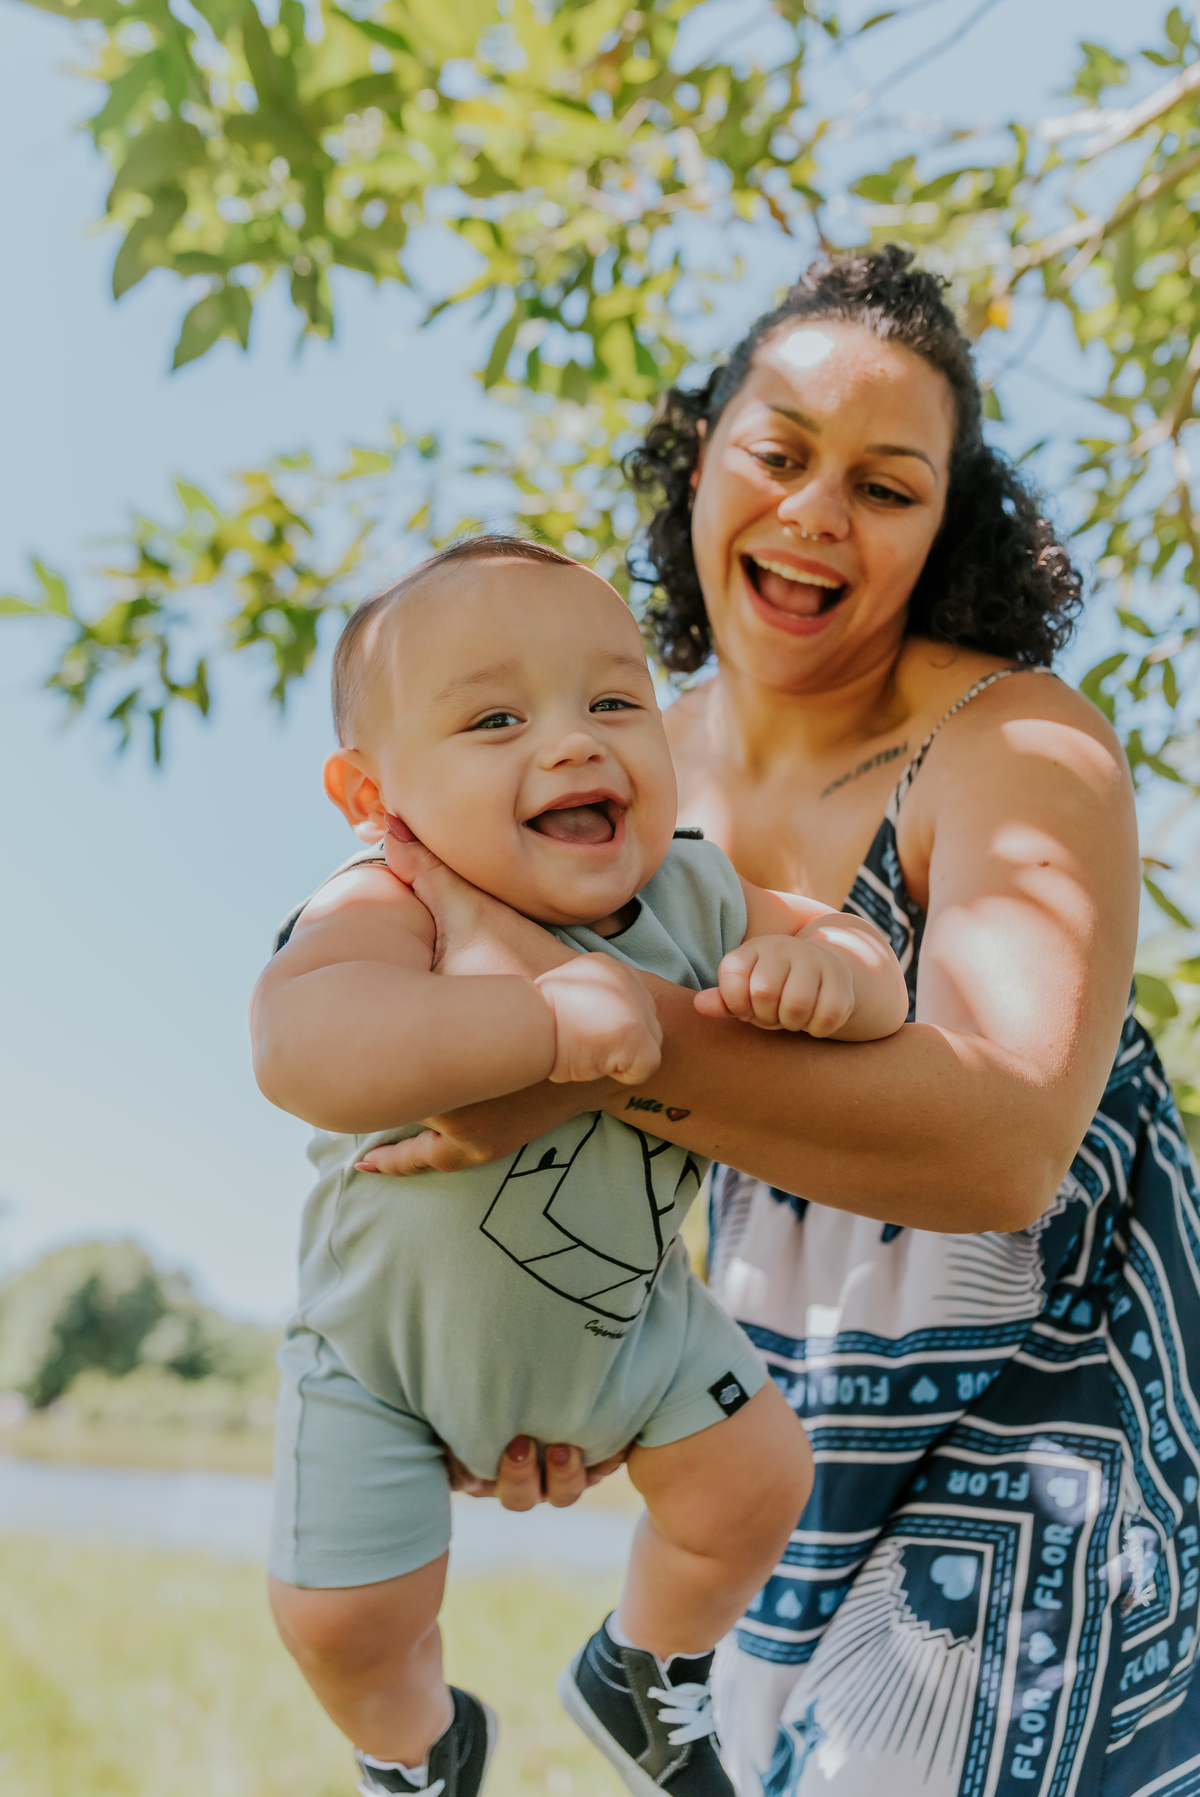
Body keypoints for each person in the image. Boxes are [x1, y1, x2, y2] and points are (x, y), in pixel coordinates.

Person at [335, 248, 1200, 1797]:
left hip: (1057, 1436)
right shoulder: (611, 764)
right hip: (784, 1433)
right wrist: (542, 1376)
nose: (816, 511)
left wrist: (601, 1041)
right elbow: (491, 1121)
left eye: (886, 484)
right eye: (781, 450)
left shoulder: (1013, 741)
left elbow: (1002, 1143)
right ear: (701, 459)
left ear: (946, 529)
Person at [250, 534, 911, 1797]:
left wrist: (834, 975)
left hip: (637, 1334)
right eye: (495, 717)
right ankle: (414, 1743)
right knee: (340, 1618)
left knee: (759, 1485)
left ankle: (645, 1668)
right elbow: (299, 1044)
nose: (573, 742)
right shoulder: (391, 894)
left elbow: (856, 945)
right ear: (371, 794)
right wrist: (547, 1027)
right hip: (381, 1360)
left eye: (615, 701)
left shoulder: (695, 889)